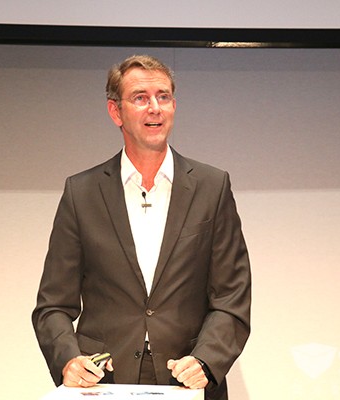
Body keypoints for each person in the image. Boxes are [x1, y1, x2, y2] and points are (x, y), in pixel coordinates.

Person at [32, 55, 251, 400]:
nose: (155, 108)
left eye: (163, 96)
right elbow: (53, 305)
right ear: (115, 111)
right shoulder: (82, 192)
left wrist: (206, 361)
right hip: (104, 382)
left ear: (174, 105)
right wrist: (68, 360)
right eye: (140, 97)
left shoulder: (212, 186)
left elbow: (232, 297)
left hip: (186, 380)